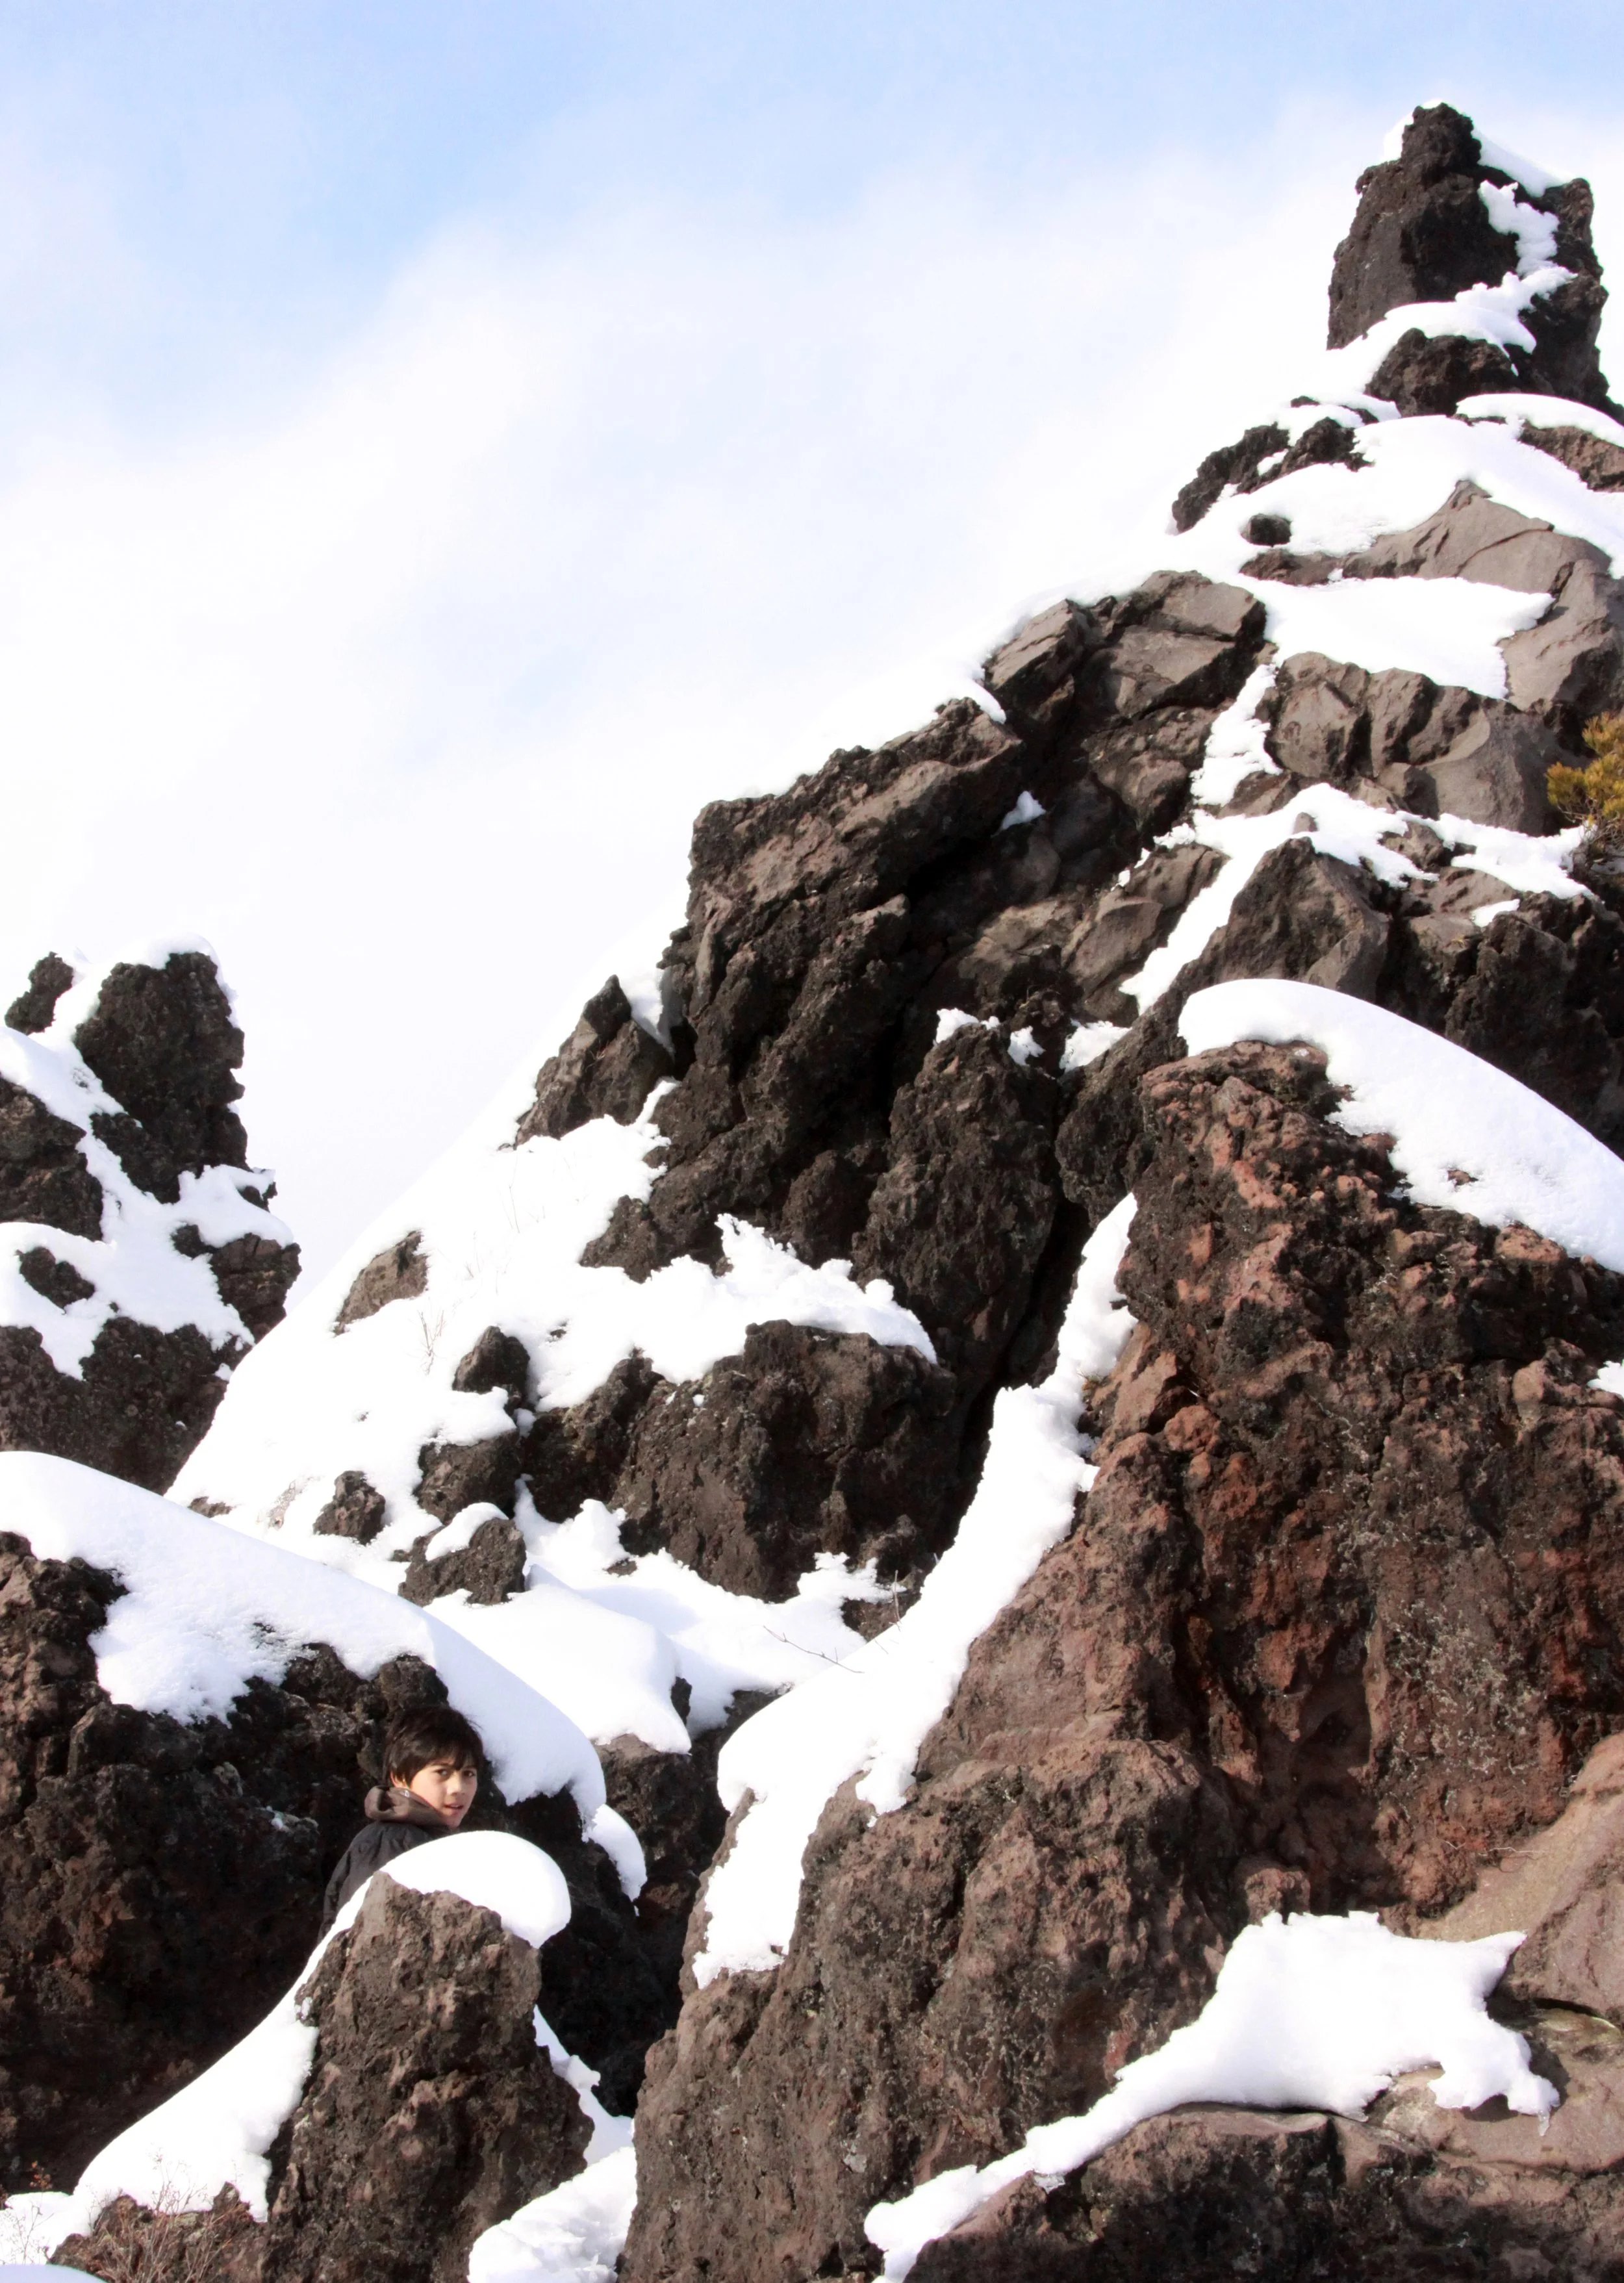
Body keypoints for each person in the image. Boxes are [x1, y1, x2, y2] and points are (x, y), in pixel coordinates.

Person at [320, 1703, 483, 1932]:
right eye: (442, 1772)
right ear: (399, 1777)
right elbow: (370, 1941)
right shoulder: (391, 1842)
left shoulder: (422, 1841)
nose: (458, 1788)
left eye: (468, 1774)